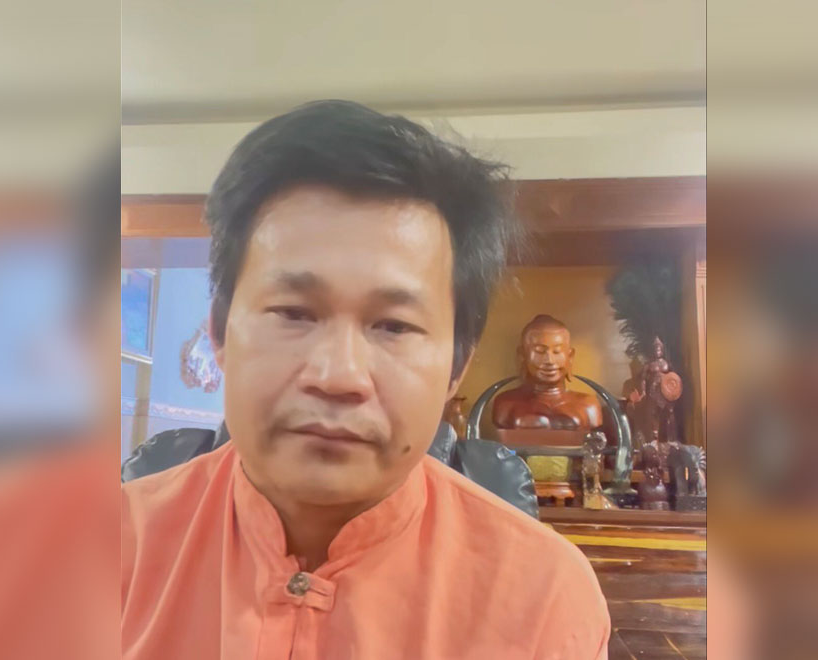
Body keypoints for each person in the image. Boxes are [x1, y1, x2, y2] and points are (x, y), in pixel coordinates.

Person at [121, 100, 610, 659]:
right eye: (293, 313)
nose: (338, 376)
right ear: (219, 332)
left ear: (457, 367)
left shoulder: (543, 597)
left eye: (394, 326)